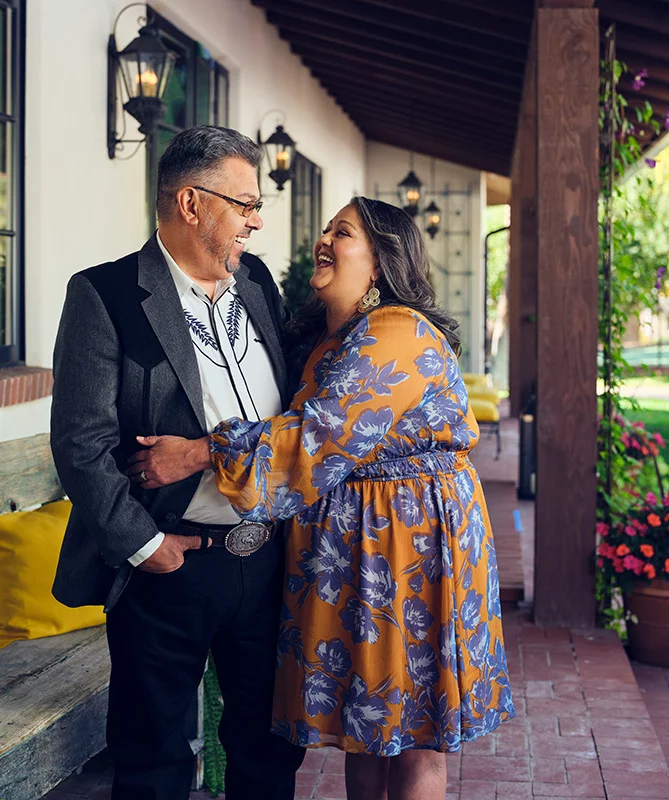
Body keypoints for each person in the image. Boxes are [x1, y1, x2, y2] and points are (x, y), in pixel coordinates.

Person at [129, 197, 516, 800]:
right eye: (327, 227)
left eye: (345, 232)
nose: (325, 240)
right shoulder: (328, 339)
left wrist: (197, 452)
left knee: (414, 734)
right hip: (363, 549)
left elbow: (317, 434)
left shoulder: (396, 332)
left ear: (383, 264)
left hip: (412, 547)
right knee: (366, 727)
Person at [50, 125, 305, 800]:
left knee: (268, 752)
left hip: (269, 563)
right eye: (243, 203)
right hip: (172, 565)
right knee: (154, 761)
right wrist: (145, 545)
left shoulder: (255, 283)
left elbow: (294, 407)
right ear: (191, 203)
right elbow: (80, 443)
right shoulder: (103, 296)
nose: (256, 219)